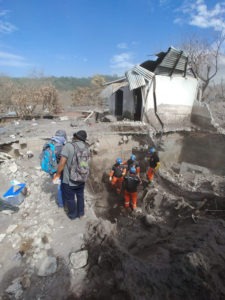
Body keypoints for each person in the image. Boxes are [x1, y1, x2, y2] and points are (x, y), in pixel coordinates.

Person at [53, 130, 90, 220]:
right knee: (80, 196)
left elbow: (62, 163)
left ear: (76, 137)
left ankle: (73, 215)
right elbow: (85, 163)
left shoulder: (68, 146)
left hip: (69, 180)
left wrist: (57, 175)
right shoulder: (86, 147)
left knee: (70, 199)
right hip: (82, 178)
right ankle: (81, 214)